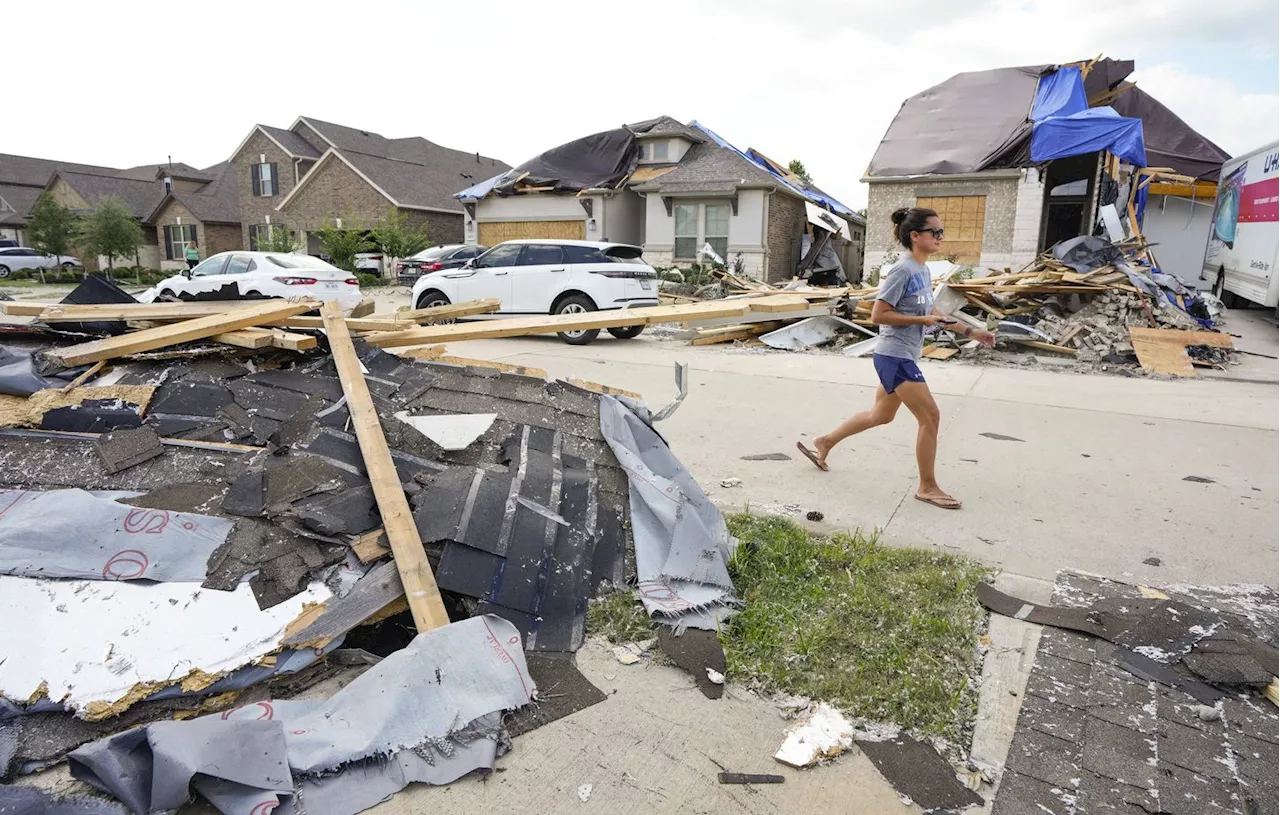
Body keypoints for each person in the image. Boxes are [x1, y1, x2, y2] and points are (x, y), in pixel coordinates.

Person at [796, 207, 995, 509]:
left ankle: (825, 442)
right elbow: (879, 314)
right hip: (894, 356)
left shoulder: (923, 269)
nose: (941, 237)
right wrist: (921, 322)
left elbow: (933, 313)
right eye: (935, 232)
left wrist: (971, 331)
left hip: (902, 355)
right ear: (916, 236)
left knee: (881, 415)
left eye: (941, 232)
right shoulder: (902, 270)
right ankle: (927, 487)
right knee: (931, 417)